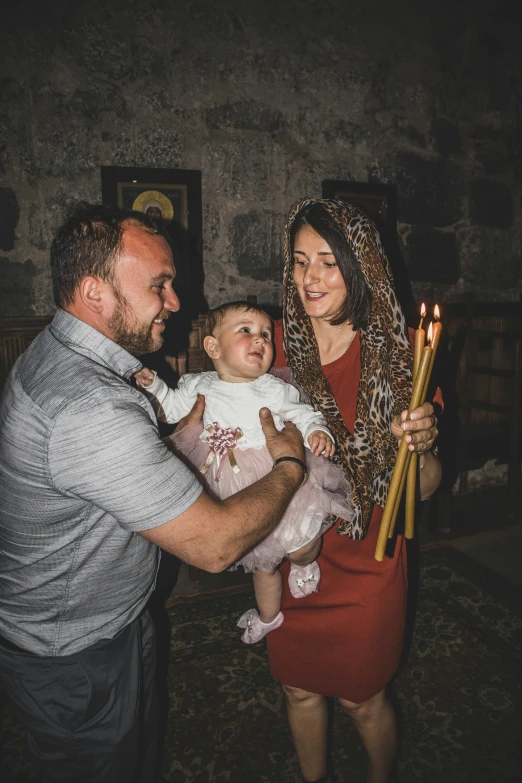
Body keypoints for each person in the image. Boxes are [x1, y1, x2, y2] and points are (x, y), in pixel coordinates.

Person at [0, 205, 307, 783]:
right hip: (76, 651)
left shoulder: (64, 355)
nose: (175, 302)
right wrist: (290, 465)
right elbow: (215, 546)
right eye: (159, 285)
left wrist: (171, 436)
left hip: (93, 623)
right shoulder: (90, 403)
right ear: (95, 292)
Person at [265, 198, 442, 783]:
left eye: (328, 262)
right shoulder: (269, 344)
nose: (310, 278)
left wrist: (418, 450)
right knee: (297, 691)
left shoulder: (398, 354)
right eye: (299, 262)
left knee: (362, 700)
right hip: (294, 554)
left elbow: (427, 486)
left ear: (359, 265)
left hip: (369, 552)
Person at [135, 301, 354, 644]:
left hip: (274, 473)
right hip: (227, 480)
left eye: (266, 334)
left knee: (299, 543)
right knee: (261, 559)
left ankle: (304, 563)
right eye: (246, 331)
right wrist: (154, 387)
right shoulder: (199, 384)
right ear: (213, 347)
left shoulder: (272, 388)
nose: (260, 340)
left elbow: (303, 413)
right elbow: (172, 407)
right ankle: (269, 616)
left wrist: (317, 431)